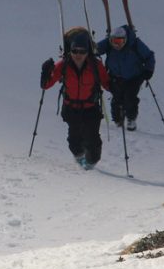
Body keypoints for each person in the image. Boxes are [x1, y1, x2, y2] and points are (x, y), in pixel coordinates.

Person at [40, 27, 112, 170]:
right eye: (75, 51)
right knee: (74, 142)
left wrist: (119, 87)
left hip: (91, 109)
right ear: (70, 50)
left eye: (82, 51)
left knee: (93, 142)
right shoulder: (63, 65)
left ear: (88, 51)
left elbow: (107, 83)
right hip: (71, 109)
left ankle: (91, 165)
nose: (78, 55)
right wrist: (45, 73)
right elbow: (46, 85)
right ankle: (80, 159)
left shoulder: (95, 65)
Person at [95, 25, 156, 131]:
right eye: (114, 41)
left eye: (119, 41)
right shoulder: (109, 44)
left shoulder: (135, 43)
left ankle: (131, 118)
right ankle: (118, 119)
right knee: (117, 98)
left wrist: (148, 70)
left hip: (134, 77)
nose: (116, 45)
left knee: (129, 98)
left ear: (125, 40)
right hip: (115, 76)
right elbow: (96, 49)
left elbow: (149, 56)